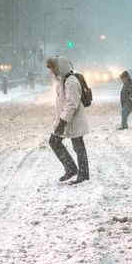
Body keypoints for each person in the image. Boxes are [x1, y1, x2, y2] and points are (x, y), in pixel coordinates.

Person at [46, 55, 89, 185]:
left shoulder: (71, 81)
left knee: (77, 146)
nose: (51, 71)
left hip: (73, 120)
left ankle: (82, 174)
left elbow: (72, 104)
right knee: (56, 142)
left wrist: (62, 122)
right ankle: (72, 169)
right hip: (66, 119)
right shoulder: (62, 80)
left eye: (53, 68)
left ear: (60, 67)